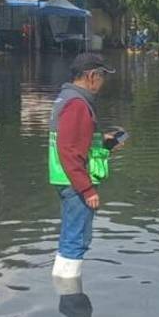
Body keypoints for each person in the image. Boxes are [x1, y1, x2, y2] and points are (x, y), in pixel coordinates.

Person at [49, 53, 125, 278]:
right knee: (78, 238)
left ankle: (63, 289)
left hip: (65, 179)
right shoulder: (77, 105)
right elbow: (69, 150)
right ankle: (70, 296)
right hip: (75, 183)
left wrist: (105, 143)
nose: (103, 83)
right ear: (91, 76)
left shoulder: (67, 99)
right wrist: (87, 188)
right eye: (102, 77)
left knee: (71, 235)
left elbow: (76, 142)